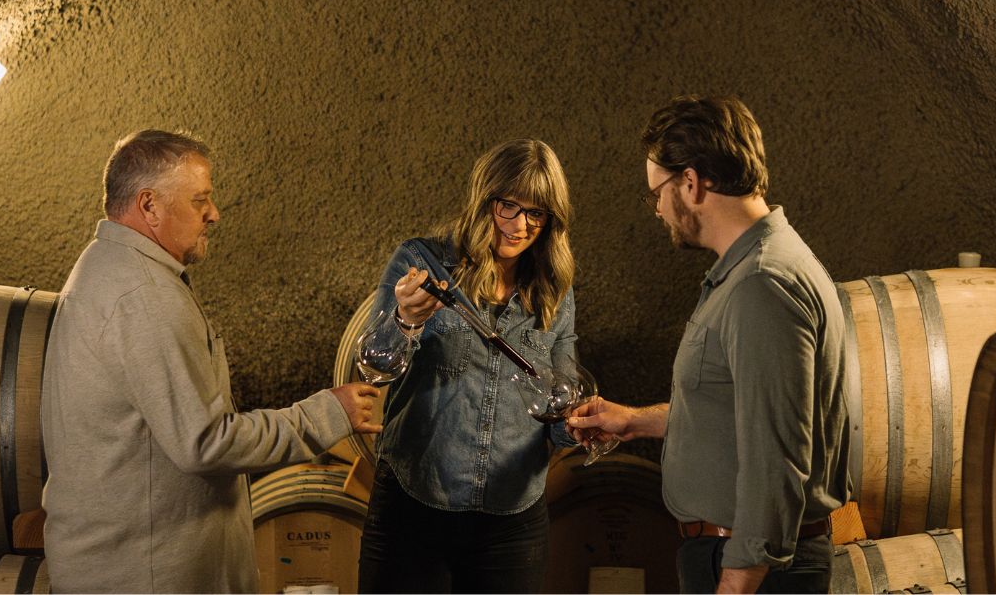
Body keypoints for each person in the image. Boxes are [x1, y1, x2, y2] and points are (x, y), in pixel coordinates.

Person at [40, 129, 382, 593]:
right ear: (149, 206)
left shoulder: (108, 266)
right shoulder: (144, 296)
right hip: (147, 576)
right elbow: (206, 443)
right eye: (200, 200)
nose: (214, 214)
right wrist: (328, 414)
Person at [567, 96, 852, 594]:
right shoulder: (753, 270)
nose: (657, 209)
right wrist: (634, 420)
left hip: (748, 570)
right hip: (737, 559)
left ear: (692, 183)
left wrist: (735, 584)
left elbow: (776, 457)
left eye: (656, 192)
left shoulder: (762, 284)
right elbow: (739, 413)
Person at [356, 138, 580, 593]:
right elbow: (374, 365)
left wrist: (577, 423)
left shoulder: (554, 287)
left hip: (512, 517)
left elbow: (561, 395)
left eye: (536, 213)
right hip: (417, 502)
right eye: (508, 206)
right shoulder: (422, 262)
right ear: (484, 200)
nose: (520, 226)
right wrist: (404, 321)